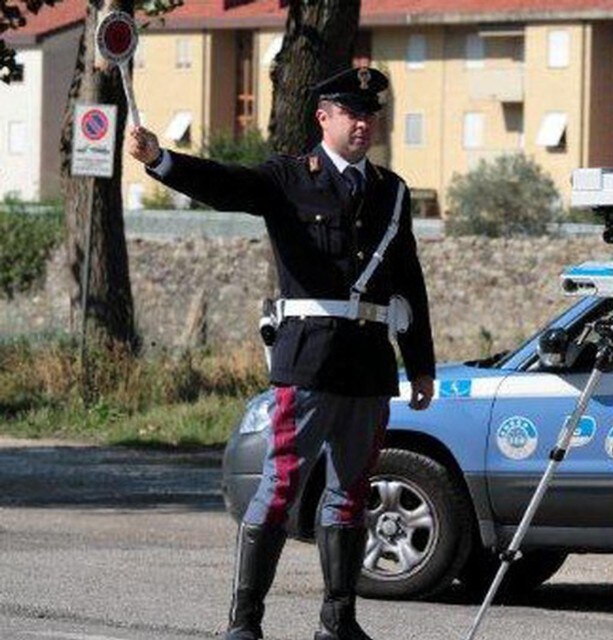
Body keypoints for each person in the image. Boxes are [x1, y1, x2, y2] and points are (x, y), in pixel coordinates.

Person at [127, 66, 436, 640]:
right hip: (310, 356)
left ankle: (338, 621)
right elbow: (226, 184)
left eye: (371, 115)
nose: (364, 124)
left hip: (369, 362)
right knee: (282, 485)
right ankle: (245, 622)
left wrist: (419, 364)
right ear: (325, 118)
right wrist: (160, 160)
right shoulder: (291, 177)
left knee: (350, 493)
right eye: (352, 114)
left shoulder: (392, 190)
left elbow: (407, 279)